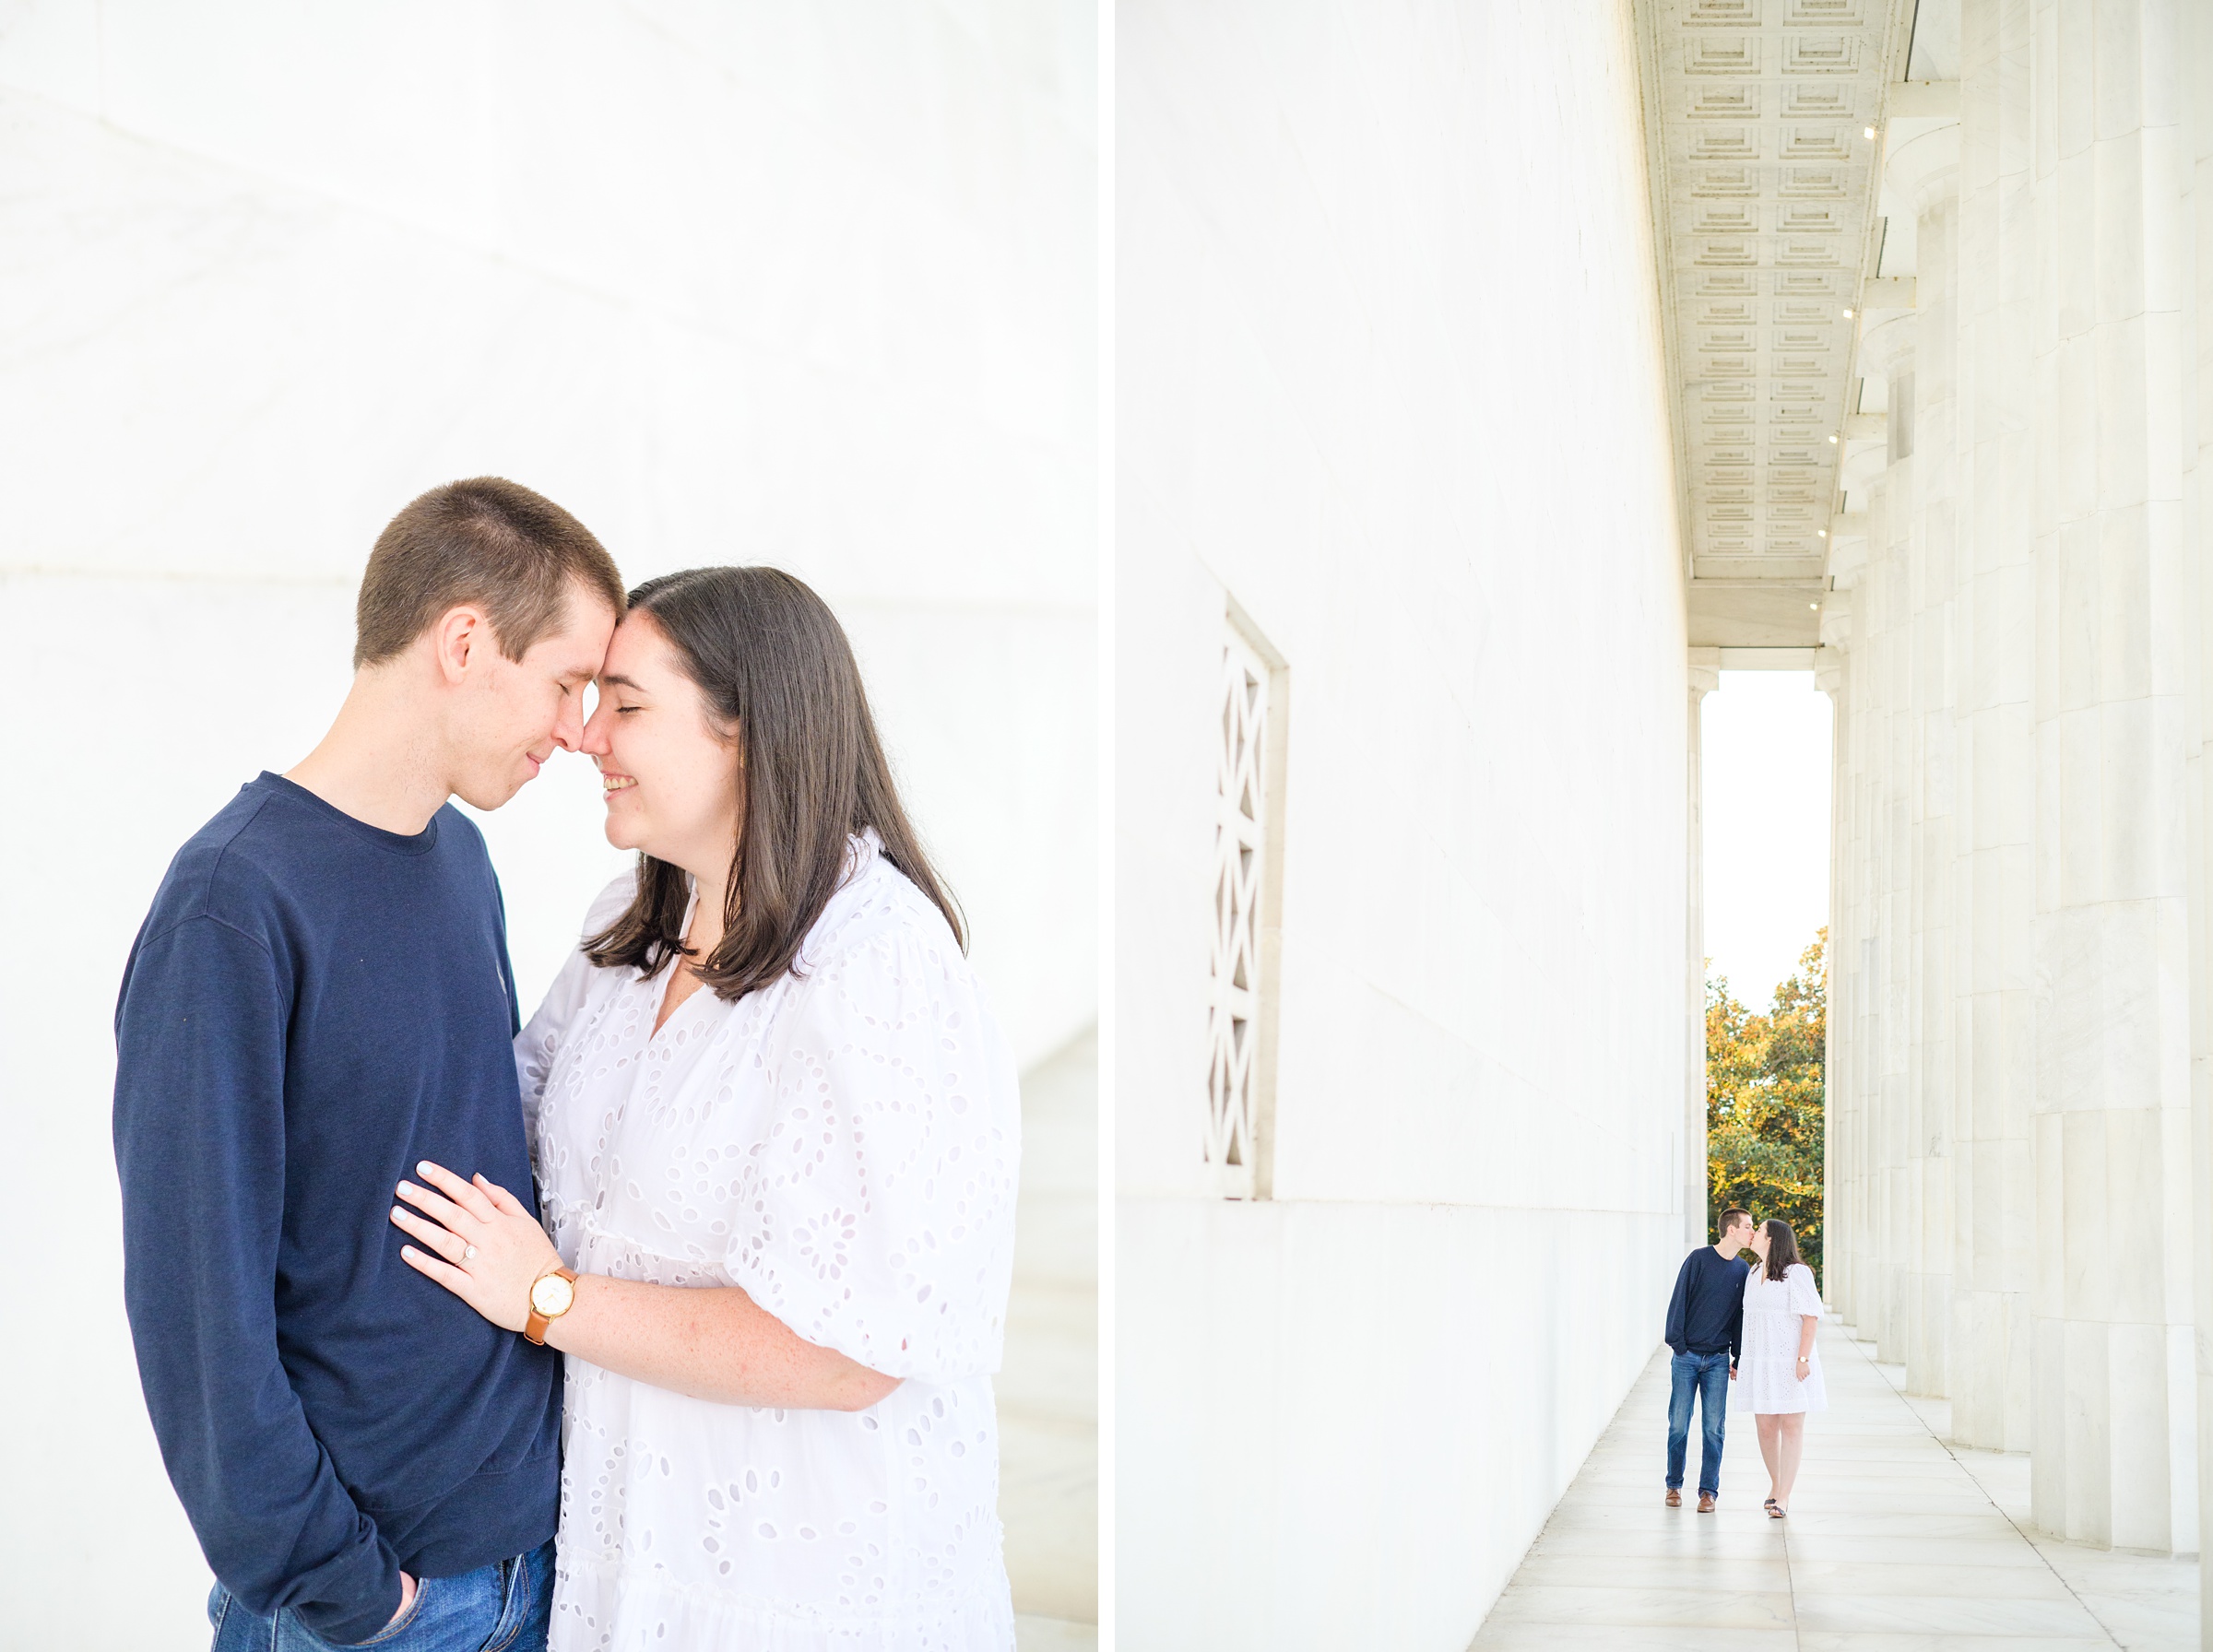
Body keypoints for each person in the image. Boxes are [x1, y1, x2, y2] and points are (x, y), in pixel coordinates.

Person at [389, 566, 1024, 1650]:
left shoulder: (877, 965)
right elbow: (503, 1117)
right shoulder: (628, 938)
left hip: (799, 1583)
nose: (587, 735)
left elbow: (853, 1347)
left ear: (747, 731)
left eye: (627, 705)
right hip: (625, 1558)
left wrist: (546, 1298)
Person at [112, 478, 625, 1651]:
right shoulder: (231, 909)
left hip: (535, 1572)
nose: (575, 728)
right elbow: (198, 1318)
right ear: (462, 641)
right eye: (564, 682)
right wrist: (349, 1590)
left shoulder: (461, 862)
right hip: (374, 1607)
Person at [1663, 1207, 1753, 1510]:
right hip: (1687, 1357)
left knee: (1714, 1428)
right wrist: (1679, 1345)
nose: (1752, 1232)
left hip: (1717, 1360)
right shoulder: (1699, 1259)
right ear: (1731, 1229)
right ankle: (1673, 1486)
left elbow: (1740, 1318)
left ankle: (1708, 1492)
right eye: (1748, 1226)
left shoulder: (1743, 1270)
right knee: (1678, 1424)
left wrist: (1738, 1356)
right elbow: (1679, 1300)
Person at [1740, 1216, 1827, 1516]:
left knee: (1791, 1426)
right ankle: (1775, 1485)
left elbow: (1810, 1318)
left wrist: (1802, 1359)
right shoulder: (1753, 1273)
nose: (1753, 1234)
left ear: (1772, 1238)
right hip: (1760, 1363)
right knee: (1765, 1428)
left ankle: (1785, 1497)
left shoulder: (1797, 1274)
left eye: (1759, 1230)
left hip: (1790, 1362)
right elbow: (1749, 1324)